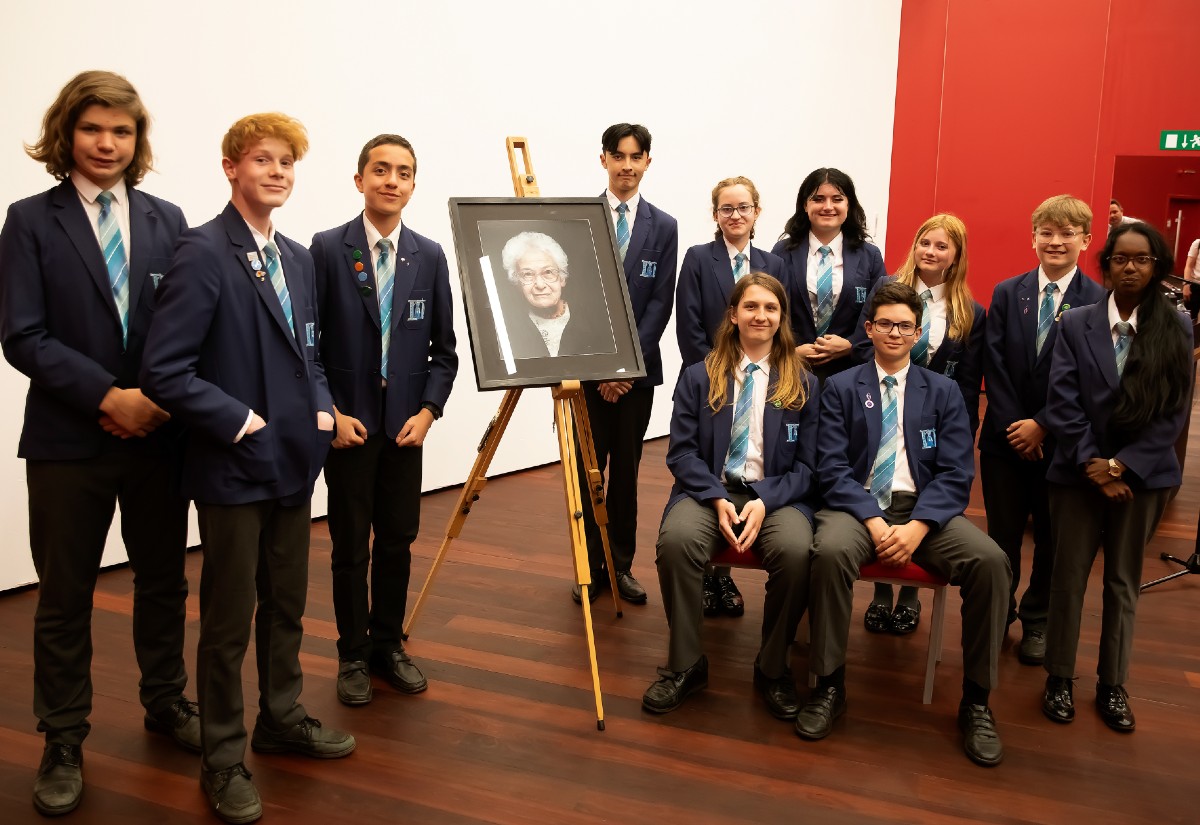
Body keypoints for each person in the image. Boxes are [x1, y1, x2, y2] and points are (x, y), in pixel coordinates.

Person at [141, 113, 353, 824]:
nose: (277, 172)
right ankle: (224, 756)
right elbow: (164, 371)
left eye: (287, 162)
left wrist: (322, 409)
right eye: (262, 159)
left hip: (296, 462)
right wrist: (241, 420)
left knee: (286, 604)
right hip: (233, 466)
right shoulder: (202, 251)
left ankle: (282, 715)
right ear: (230, 166)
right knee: (230, 620)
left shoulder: (296, 255)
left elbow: (311, 351)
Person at [0, 70, 196, 817]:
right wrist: (107, 398)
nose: (107, 143)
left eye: (121, 130)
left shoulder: (169, 218)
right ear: (66, 134)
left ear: (137, 139)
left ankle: (166, 701)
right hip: (65, 441)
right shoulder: (29, 220)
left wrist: (150, 402)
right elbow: (23, 335)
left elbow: (184, 326)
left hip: (156, 437)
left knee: (163, 581)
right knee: (63, 597)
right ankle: (62, 737)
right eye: (93, 129)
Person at [798, 281, 1010, 767]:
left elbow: (958, 472)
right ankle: (829, 685)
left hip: (924, 512)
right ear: (868, 329)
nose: (895, 332)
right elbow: (830, 468)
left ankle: (976, 702)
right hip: (856, 509)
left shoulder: (946, 392)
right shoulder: (839, 388)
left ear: (917, 333)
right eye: (885, 323)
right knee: (828, 554)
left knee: (992, 562)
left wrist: (918, 527)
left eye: (905, 325)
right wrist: (874, 523)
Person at [310, 134, 458, 706]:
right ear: (359, 180)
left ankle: (387, 644)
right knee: (349, 545)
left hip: (404, 430)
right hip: (349, 430)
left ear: (413, 185)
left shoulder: (429, 256)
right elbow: (309, 347)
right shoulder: (326, 248)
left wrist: (429, 411)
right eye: (380, 170)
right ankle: (351, 654)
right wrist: (330, 411)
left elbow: (443, 351)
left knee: (397, 540)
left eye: (403, 172)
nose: (391, 180)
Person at [643, 273, 818, 719]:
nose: (761, 316)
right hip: (708, 492)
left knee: (798, 551)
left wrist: (765, 501)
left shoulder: (804, 382)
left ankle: (772, 666)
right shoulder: (699, 376)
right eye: (752, 307)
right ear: (733, 315)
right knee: (676, 544)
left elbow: (810, 467)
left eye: (771, 308)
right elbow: (680, 453)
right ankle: (686, 664)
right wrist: (717, 497)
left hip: (775, 496)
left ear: (782, 317)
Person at [1040, 222, 1191, 734]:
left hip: (1141, 479)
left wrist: (1121, 465)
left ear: (1156, 266)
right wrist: (1094, 466)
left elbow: (1173, 412)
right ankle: (1058, 676)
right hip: (1076, 474)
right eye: (1121, 259)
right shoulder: (1075, 322)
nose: (1131, 267)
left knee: (1123, 583)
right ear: (1105, 265)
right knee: (1068, 578)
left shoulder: (1177, 325)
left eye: (1142, 259)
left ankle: (1112, 683)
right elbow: (1061, 402)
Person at [979, 195, 1105, 667]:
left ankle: (1037, 620)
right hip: (1004, 442)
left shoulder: (1097, 300)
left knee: (1052, 540)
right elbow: (995, 361)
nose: (1055, 241)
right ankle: (998, 615)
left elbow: (1092, 378)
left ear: (1086, 241)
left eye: (1067, 233)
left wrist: (1044, 425)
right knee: (1002, 537)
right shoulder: (1008, 292)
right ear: (1033, 238)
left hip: (1063, 443)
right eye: (1046, 232)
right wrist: (1018, 426)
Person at [851, 214, 985, 636]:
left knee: (921, 500)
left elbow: (968, 380)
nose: (931, 252)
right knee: (885, 492)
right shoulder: (888, 290)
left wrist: (960, 432)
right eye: (925, 242)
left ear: (956, 256)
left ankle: (908, 596)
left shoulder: (969, 310)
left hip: (934, 422)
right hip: (884, 410)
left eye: (942, 246)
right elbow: (861, 349)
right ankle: (880, 596)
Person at [571, 123, 678, 606]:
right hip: (586, 375)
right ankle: (588, 569)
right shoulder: (577, 219)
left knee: (627, 475)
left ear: (648, 162)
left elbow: (660, 304)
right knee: (587, 473)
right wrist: (600, 369)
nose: (627, 166)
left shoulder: (665, 225)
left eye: (637, 157)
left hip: (636, 378)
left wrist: (627, 369)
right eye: (619, 156)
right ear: (604, 160)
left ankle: (621, 567)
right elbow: (571, 297)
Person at [676, 176, 787, 618]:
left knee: (743, 469)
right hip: (715, 383)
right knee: (714, 469)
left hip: (759, 376)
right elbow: (689, 323)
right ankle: (713, 578)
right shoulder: (699, 258)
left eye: (743, 207)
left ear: (757, 212)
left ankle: (726, 578)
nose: (735, 215)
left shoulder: (771, 262)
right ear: (716, 214)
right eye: (726, 208)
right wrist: (718, 377)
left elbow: (776, 320)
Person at [772, 167, 887, 381]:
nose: (828, 207)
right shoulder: (782, 252)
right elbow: (770, 308)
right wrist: (790, 351)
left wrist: (852, 345)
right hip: (792, 370)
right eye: (818, 199)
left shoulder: (870, 255)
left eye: (837, 199)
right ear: (805, 205)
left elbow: (882, 312)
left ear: (848, 204)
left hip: (850, 372)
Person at [501, 231, 611, 358]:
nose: (540, 285)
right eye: (528, 274)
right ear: (518, 283)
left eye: (548, 272)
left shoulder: (595, 321)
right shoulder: (505, 329)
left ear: (562, 278)